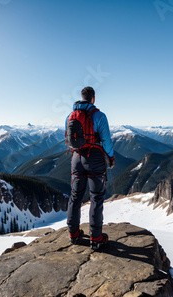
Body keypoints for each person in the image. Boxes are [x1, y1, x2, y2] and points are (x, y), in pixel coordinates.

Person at [65, 86, 115, 250]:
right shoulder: (99, 116)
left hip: (76, 158)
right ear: (93, 98)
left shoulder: (70, 116)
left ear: (81, 97)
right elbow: (106, 141)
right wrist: (111, 157)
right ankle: (96, 238)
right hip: (94, 158)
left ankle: (73, 234)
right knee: (96, 197)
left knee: (75, 196)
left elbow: (69, 138)